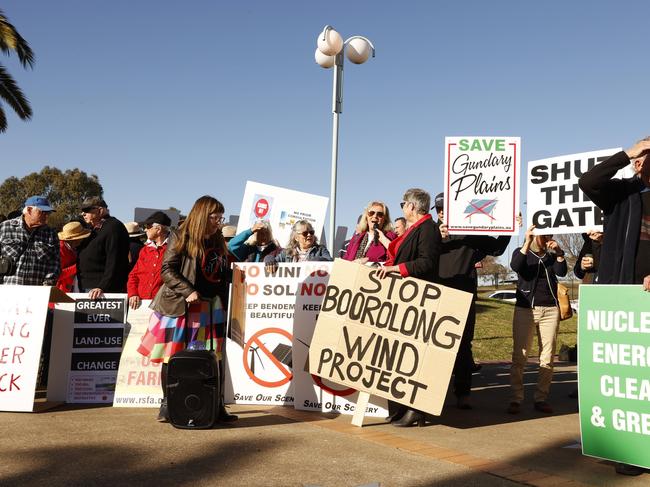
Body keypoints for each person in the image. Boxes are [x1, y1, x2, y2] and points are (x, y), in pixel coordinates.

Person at [579, 137, 650, 477]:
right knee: (630, 379)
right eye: (641, 156)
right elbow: (588, 182)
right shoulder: (622, 193)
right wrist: (627, 153)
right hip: (623, 299)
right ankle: (632, 449)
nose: (643, 161)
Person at [137, 196, 236, 424]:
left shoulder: (218, 238)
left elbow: (222, 270)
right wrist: (187, 290)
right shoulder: (181, 236)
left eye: (220, 217)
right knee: (171, 357)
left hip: (210, 307)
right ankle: (167, 405)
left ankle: (216, 405)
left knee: (213, 358)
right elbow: (167, 270)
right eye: (215, 217)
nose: (219, 222)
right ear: (203, 215)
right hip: (181, 307)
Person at [434, 192, 513, 410]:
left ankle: (463, 393)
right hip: (435, 297)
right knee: (434, 347)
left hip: (464, 297)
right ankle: (433, 394)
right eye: (438, 209)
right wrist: (437, 238)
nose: (442, 213)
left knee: (462, 345)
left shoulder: (470, 233)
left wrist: (510, 227)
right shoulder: (430, 233)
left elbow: (496, 248)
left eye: (446, 208)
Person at [376, 188, 441, 427]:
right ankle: (402, 406)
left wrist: (394, 270)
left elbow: (427, 263)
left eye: (403, 203)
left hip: (420, 301)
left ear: (412, 207)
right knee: (401, 357)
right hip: (406, 299)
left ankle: (417, 410)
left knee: (416, 358)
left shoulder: (428, 229)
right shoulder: (414, 229)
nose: (402, 207)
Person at [508, 225, 566, 415]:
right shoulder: (522, 252)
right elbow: (516, 266)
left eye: (550, 234)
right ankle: (516, 398)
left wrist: (559, 253)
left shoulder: (550, 256)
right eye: (544, 234)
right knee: (520, 355)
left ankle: (541, 398)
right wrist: (526, 242)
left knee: (547, 356)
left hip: (550, 309)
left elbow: (562, 271)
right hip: (526, 309)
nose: (547, 237)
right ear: (534, 234)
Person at [76, 197, 130, 298]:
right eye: (82, 211)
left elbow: (115, 261)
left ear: (100, 210)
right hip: (89, 287)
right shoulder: (94, 228)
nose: (83, 214)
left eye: (87, 210)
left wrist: (102, 286)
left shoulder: (113, 227)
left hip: (102, 291)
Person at [0, 195, 60, 286]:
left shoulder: (50, 233)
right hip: (7, 290)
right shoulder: (5, 227)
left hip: (37, 292)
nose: (46, 215)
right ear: (29, 210)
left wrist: (48, 282)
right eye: (42, 212)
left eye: (48, 213)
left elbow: (55, 262)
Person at [127, 211, 171, 310]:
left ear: (158, 229)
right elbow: (133, 275)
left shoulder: (174, 249)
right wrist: (133, 293)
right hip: (141, 304)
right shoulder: (145, 250)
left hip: (164, 305)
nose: (145, 229)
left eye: (148, 226)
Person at [264, 220, 331, 270]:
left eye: (311, 232)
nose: (309, 235)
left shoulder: (321, 250)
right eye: (305, 233)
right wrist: (269, 259)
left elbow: (330, 262)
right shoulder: (287, 252)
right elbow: (274, 261)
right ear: (296, 237)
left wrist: (319, 260)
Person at [57, 221, 92, 293]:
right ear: (75, 239)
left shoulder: (72, 248)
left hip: (70, 287)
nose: (82, 240)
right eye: (81, 237)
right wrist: (78, 266)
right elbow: (58, 274)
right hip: (61, 291)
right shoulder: (60, 249)